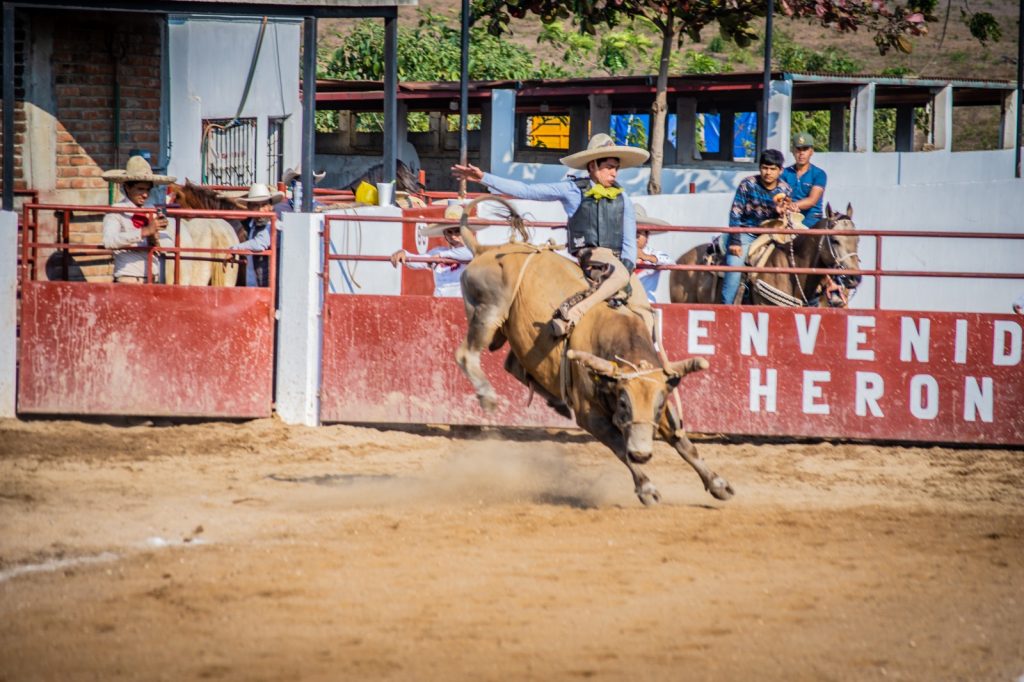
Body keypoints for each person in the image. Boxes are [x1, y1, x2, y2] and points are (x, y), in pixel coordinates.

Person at [451, 133, 650, 337]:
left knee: (647, 313)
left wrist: (628, 266)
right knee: (619, 276)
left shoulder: (623, 197)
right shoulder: (572, 189)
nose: (614, 173)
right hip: (593, 256)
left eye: (616, 168)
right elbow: (527, 190)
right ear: (593, 166)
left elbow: (629, 240)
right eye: (609, 167)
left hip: (618, 263)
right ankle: (574, 313)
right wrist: (484, 178)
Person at [721, 148, 794, 305]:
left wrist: (781, 212)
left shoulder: (785, 189)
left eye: (772, 169)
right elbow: (735, 213)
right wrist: (735, 241)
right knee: (734, 268)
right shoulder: (747, 184)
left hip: (773, 234)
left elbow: (784, 218)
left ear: (780, 170)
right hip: (746, 233)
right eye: (765, 168)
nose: (768, 172)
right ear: (760, 168)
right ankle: (726, 308)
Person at [101, 156, 177, 283]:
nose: (145, 195)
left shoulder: (151, 209)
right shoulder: (117, 210)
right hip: (128, 277)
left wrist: (156, 240)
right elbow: (108, 241)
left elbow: (169, 244)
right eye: (140, 189)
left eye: (148, 190)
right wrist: (144, 231)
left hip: (153, 277)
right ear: (127, 187)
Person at [389, 223, 473, 298]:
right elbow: (419, 262)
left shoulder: (471, 251)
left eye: (457, 231)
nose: (453, 236)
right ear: (445, 235)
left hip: (462, 300)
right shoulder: (438, 251)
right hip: (439, 298)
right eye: (449, 232)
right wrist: (404, 254)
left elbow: (470, 253)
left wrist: (441, 255)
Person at [229, 183, 285, 287]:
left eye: (263, 205)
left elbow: (259, 243)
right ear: (249, 208)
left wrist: (234, 249)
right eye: (255, 205)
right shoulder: (251, 226)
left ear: (270, 206)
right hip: (254, 282)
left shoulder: (274, 225)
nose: (260, 210)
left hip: (269, 285)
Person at [781, 131, 827, 226]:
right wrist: (787, 206)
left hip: (812, 222)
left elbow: (812, 201)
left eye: (805, 149)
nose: (801, 153)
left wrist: (792, 205)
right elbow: (780, 196)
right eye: (798, 149)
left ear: (811, 151)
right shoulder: (784, 173)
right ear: (793, 151)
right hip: (788, 219)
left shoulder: (819, 174)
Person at [633, 205, 673, 303]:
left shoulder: (653, 253)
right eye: (630, 233)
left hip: (646, 304)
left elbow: (671, 262)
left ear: (647, 236)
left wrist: (646, 257)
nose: (634, 238)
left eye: (638, 234)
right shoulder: (616, 253)